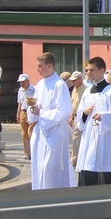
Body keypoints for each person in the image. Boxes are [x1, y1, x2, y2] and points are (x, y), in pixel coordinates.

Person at [28, 52, 75, 190]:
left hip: (55, 131)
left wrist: (41, 113)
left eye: (39, 66)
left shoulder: (59, 85)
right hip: (41, 131)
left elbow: (64, 110)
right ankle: (40, 195)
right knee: (39, 167)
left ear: (49, 66)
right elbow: (37, 107)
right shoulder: (40, 84)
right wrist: (34, 110)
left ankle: (55, 195)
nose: (37, 69)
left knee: (50, 167)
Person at [75, 56, 111, 186]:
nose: (89, 73)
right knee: (88, 163)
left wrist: (103, 116)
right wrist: (84, 113)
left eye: (92, 70)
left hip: (104, 138)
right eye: (87, 70)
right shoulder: (87, 92)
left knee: (103, 164)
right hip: (88, 136)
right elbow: (79, 114)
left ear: (102, 70)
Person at [68, 71, 87, 166]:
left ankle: (74, 158)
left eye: (74, 80)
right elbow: (73, 104)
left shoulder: (85, 90)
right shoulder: (74, 89)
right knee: (76, 138)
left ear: (80, 79)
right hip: (75, 116)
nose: (73, 82)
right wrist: (71, 117)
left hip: (82, 117)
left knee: (76, 138)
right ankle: (78, 156)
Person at [15, 73, 35, 160]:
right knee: (24, 134)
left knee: (32, 133)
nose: (22, 84)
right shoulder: (20, 90)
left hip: (31, 111)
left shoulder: (34, 89)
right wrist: (18, 113)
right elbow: (19, 102)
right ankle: (27, 153)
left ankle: (34, 152)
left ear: (28, 81)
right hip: (23, 111)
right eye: (20, 82)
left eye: (23, 82)